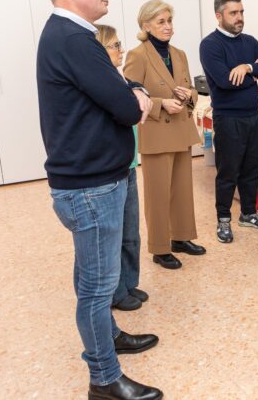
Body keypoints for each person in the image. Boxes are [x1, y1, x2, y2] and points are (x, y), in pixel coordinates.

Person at [36, 0, 162, 399]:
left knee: (92, 277)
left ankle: (109, 336)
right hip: (90, 188)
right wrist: (137, 98)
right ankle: (104, 379)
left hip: (91, 181)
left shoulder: (71, 36)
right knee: (96, 288)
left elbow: (121, 89)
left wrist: (133, 91)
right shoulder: (73, 38)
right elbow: (126, 106)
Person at [123, 0, 204, 270]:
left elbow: (192, 89)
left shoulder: (179, 54)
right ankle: (160, 248)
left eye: (169, 20)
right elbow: (130, 96)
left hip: (181, 130)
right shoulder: (137, 55)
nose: (168, 26)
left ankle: (180, 237)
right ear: (146, 25)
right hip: (157, 133)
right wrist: (161, 104)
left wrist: (189, 95)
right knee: (157, 195)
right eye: (161, 22)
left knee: (182, 191)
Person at [200, 0, 258, 243]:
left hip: (252, 116)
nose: (239, 17)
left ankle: (248, 214)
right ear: (219, 15)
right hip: (228, 118)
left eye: (241, 12)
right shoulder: (210, 45)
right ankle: (223, 220)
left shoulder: (250, 41)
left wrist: (248, 68)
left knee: (251, 168)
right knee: (228, 172)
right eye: (233, 13)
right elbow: (224, 81)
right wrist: (253, 77)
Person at [94, 24, 149, 310]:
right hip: (111, 170)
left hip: (128, 165)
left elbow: (135, 87)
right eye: (115, 45)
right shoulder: (99, 82)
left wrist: (138, 88)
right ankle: (115, 292)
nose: (121, 49)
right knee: (114, 237)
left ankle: (128, 283)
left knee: (130, 233)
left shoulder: (119, 78)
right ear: (100, 49)